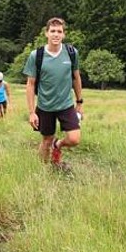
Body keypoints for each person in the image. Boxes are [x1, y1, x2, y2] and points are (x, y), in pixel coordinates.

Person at [23, 17, 83, 167]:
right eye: (53, 31)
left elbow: (76, 78)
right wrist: (32, 112)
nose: (56, 34)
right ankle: (44, 170)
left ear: (63, 35)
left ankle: (59, 144)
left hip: (66, 105)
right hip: (45, 106)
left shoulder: (71, 53)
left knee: (74, 139)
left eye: (59, 31)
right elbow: (30, 84)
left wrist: (79, 102)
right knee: (46, 140)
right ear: (46, 33)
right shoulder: (36, 56)